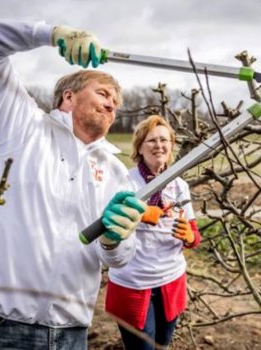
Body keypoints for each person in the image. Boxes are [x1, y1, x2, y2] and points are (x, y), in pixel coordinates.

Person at [0, 21, 147, 349]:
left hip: (71, 331)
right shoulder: (22, 126)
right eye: (103, 93)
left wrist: (115, 240)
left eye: (116, 102)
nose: (113, 104)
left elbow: (118, 258)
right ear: (69, 96)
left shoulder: (114, 169)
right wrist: (50, 34)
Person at [105, 115, 202, 349]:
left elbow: (194, 235)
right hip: (133, 283)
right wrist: (140, 213)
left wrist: (188, 237)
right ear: (139, 146)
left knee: (162, 344)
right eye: (151, 141)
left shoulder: (179, 185)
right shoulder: (126, 181)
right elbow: (108, 225)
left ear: (171, 145)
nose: (159, 145)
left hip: (171, 281)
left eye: (164, 140)